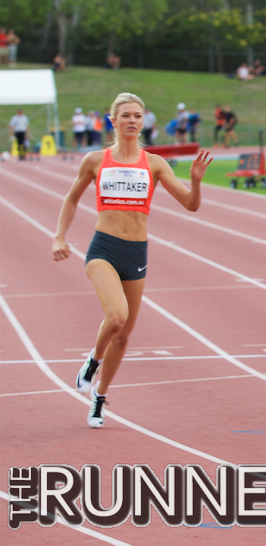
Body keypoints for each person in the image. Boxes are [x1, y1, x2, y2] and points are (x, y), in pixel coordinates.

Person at [52, 92, 212, 428]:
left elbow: (191, 204)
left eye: (137, 116)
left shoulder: (154, 163)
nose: (132, 121)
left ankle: (99, 397)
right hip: (103, 249)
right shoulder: (96, 160)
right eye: (125, 115)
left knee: (124, 335)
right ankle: (93, 361)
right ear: (113, 120)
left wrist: (196, 183)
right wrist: (59, 237)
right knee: (116, 318)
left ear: (143, 121)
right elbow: (70, 199)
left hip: (136, 252)